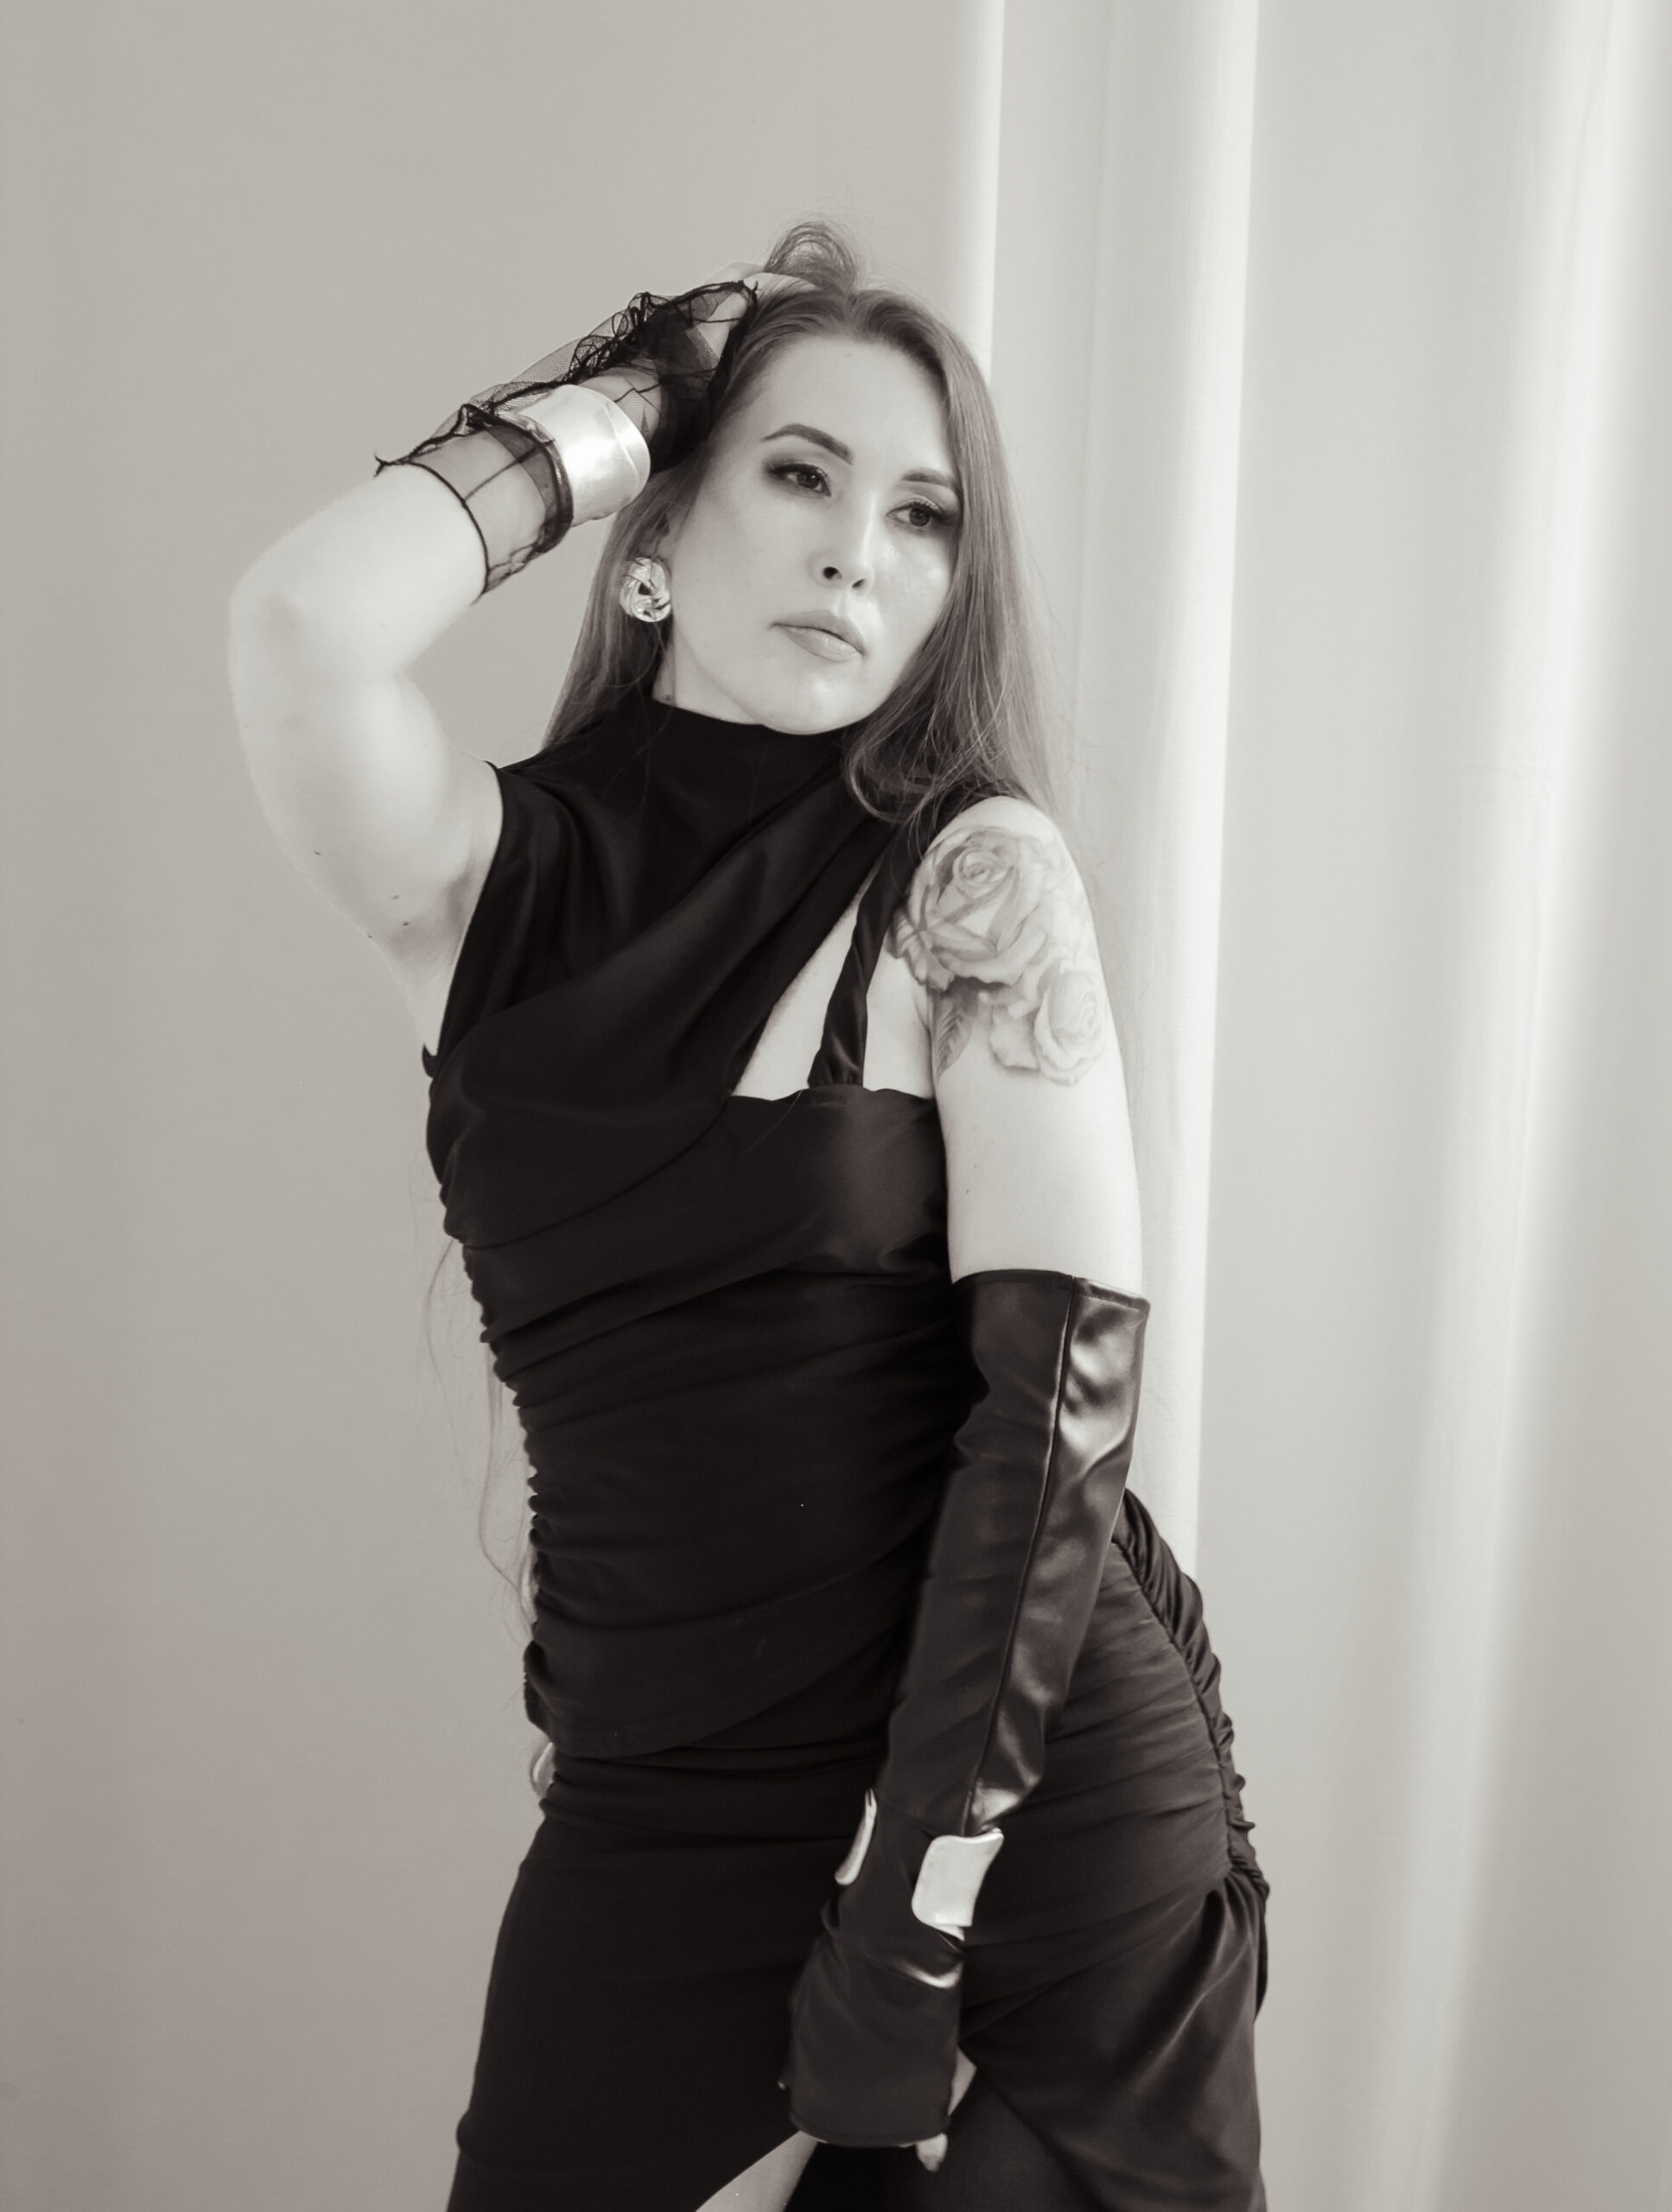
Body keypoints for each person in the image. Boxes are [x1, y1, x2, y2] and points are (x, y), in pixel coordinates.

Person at [227, 219, 1268, 2212]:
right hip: (662, 1796)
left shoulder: (970, 874)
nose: (855, 551)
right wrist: (640, 391)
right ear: (655, 534)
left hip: (1006, 1809)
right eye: (797, 473)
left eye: (922, 515)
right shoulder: (480, 882)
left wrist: (904, 1927)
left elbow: (1050, 1429)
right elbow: (299, 626)